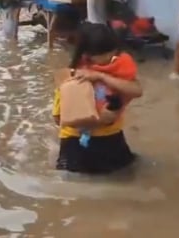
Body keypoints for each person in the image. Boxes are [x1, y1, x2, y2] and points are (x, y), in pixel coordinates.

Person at [52, 22, 143, 174]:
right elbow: (58, 118)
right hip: (76, 142)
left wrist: (100, 75)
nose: (112, 57)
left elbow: (137, 90)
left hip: (111, 137)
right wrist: (100, 120)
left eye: (113, 53)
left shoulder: (116, 71)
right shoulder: (71, 78)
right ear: (88, 55)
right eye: (106, 54)